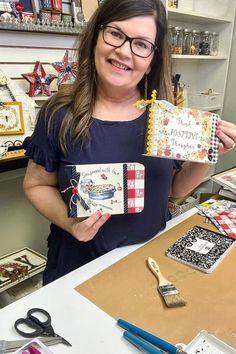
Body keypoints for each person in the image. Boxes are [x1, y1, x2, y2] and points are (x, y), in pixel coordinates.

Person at [22, 0, 236, 285]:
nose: (124, 51)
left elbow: (174, 189)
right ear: (95, 37)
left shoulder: (164, 117)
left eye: (142, 44)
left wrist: (206, 154)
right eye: (115, 34)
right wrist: (71, 223)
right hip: (77, 268)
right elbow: (36, 184)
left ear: (151, 61)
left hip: (149, 262)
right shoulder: (60, 113)